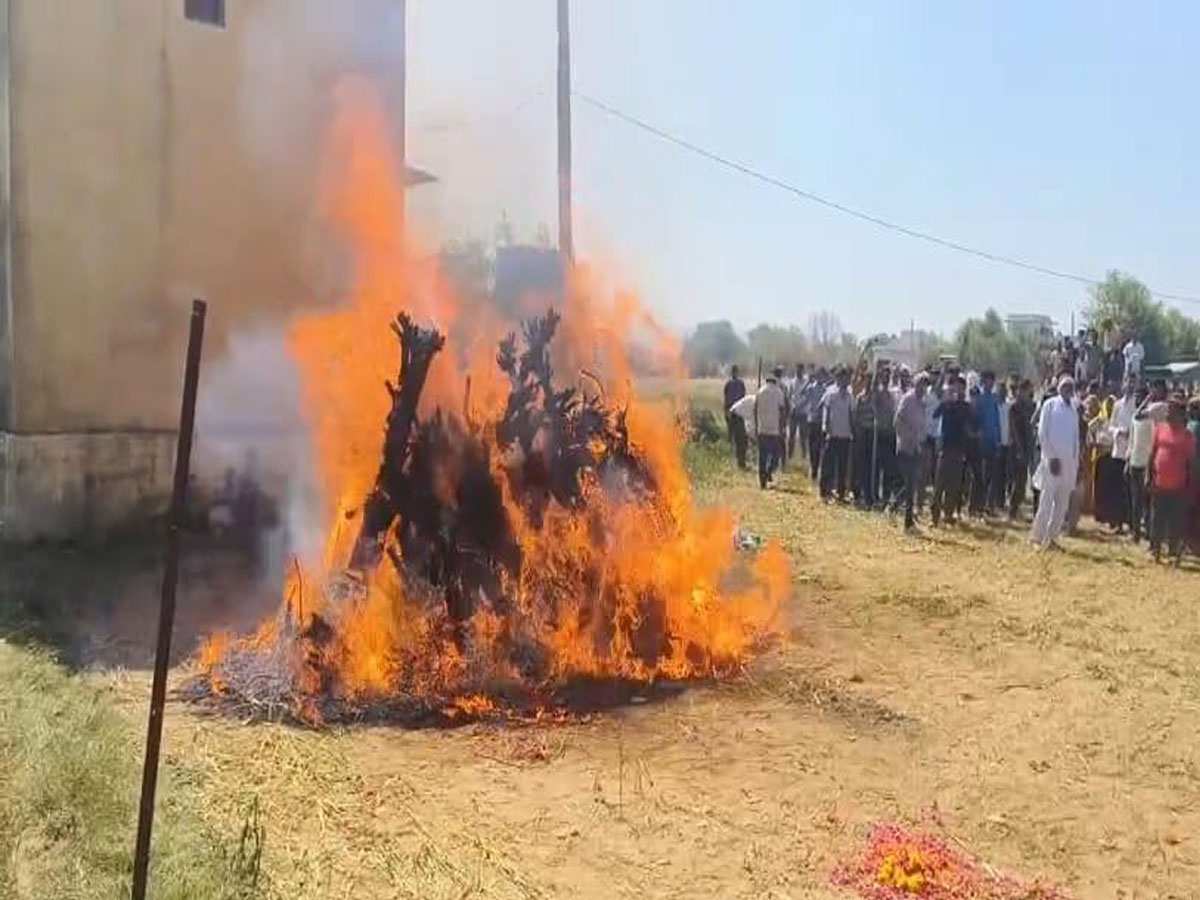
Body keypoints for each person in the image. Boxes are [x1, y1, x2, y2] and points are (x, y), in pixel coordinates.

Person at [1031, 376, 1081, 549]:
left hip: (1069, 464)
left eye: (1070, 387)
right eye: (1065, 386)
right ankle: (1037, 538)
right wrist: (1051, 457)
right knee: (1046, 501)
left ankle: (1052, 538)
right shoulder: (1050, 405)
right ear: (1059, 387)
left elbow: (1075, 438)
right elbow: (1042, 434)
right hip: (1052, 462)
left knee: (1062, 504)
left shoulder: (1073, 409)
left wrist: (1075, 462)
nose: (1067, 389)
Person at [1148, 398, 1195, 563]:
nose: (1167, 413)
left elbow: (1191, 464)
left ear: (1180, 414)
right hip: (1159, 483)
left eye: (1170, 410)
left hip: (1178, 486)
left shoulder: (1187, 436)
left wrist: (1189, 487)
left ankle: (1173, 550)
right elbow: (1152, 454)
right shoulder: (1160, 429)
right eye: (1167, 410)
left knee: (1175, 520)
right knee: (1157, 519)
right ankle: (1155, 549)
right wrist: (1149, 477)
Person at [930, 375, 972, 526]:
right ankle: (934, 516)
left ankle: (947, 515)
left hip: (959, 450)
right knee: (939, 484)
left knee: (953, 486)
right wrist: (946, 401)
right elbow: (935, 415)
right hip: (946, 448)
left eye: (961, 387)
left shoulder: (966, 407)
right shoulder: (947, 404)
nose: (958, 390)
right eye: (955, 387)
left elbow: (970, 425)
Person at [894, 373, 930, 532]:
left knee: (912, 483)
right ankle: (908, 523)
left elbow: (922, 426)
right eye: (921, 384)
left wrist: (920, 441)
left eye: (925, 385)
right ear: (916, 384)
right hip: (905, 448)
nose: (923, 387)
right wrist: (908, 437)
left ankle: (893, 506)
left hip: (917, 448)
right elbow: (897, 421)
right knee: (910, 485)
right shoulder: (907, 399)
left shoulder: (922, 403)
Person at [819, 367, 853, 502]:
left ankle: (840, 493)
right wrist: (826, 430)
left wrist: (852, 431)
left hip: (845, 435)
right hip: (832, 435)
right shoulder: (830, 394)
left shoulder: (850, 396)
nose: (845, 380)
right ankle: (824, 491)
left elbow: (851, 415)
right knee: (828, 465)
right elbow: (826, 413)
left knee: (842, 466)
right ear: (838, 379)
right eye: (843, 378)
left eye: (847, 378)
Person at [971, 371, 1002, 515]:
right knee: (979, 477)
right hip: (980, 442)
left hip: (992, 442)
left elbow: (996, 421)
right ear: (983, 381)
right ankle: (974, 507)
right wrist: (977, 434)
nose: (990, 383)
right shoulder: (979, 398)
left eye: (992, 380)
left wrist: (999, 439)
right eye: (988, 380)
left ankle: (983, 507)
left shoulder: (993, 399)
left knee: (989, 477)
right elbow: (974, 418)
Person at [1127, 385, 1154, 543]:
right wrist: (1128, 460)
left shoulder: (1151, 419)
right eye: (1136, 396)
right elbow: (1131, 441)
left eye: (1140, 396)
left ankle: (1150, 533)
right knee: (1135, 500)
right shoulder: (1134, 418)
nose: (1138, 399)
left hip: (1147, 464)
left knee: (1148, 501)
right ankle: (1136, 532)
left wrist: (1148, 400)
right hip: (1134, 462)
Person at [755, 367, 787, 489]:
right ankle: (769, 471)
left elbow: (755, 409)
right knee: (776, 455)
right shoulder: (779, 392)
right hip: (774, 430)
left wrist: (756, 425)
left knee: (762, 456)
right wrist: (782, 426)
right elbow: (782, 411)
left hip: (762, 428)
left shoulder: (760, 391)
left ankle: (762, 481)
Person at [1008, 380, 1036, 519]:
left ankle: (1016, 508)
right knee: (1018, 481)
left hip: (1026, 446)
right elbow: (1014, 430)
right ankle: (1012, 509)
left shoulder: (1029, 406)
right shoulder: (1014, 407)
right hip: (1017, 448)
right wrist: (1020, 450)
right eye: (1026, 391)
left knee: (1023, 480)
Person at [803, 368, 829, 482]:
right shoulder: (811, 388)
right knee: (811, 446)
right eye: (818, 376)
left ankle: (815, 469)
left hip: (819, 422)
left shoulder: (826, 390)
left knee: (818, 447)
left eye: (822, 376)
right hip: (811, 420)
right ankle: (813, 467)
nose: (820, 378)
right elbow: (803, 396)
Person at [723, 365, 748, 470]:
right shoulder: (729, 384)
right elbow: (726, 399)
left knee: (739, 438)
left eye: (735, 372)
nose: (735, 373)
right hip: (733, 413)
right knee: (734, 437)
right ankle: (733, 459)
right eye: (734, 372)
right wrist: (726, 413)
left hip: (737, 413)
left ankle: (739, 461)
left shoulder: (739, 384)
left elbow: (743, 398)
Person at [785, 363, 807, 465]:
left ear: (803, 371)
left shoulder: (806, 383)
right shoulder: (792, 382)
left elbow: (808, 398)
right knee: (791, 436)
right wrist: (791, 407)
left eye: (800, 370)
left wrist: (802, 406)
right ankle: (789, 456)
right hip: (793, 412)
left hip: (803, 412)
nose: (799, 372)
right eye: (797, 370)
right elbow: (789, 397)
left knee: (803, 436)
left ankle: (804, 456)